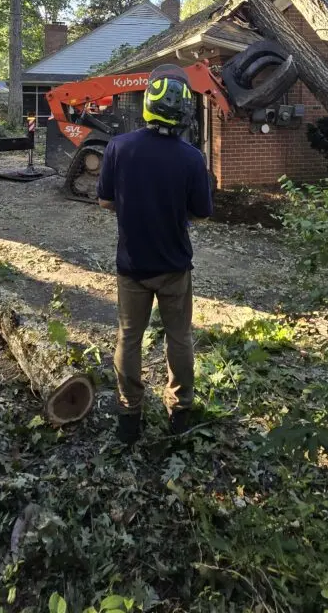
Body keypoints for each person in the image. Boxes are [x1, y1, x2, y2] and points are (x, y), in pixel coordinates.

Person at [97, 64, 213, 445]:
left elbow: (104, 202)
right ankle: (180, 412)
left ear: (147, 102)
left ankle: (129, 416)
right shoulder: (192, 159)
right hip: (175, 266)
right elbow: (200, 213)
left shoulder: (118, 148)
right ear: (183, 110)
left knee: (129, 337)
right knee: (179, 337)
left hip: (132, 266)